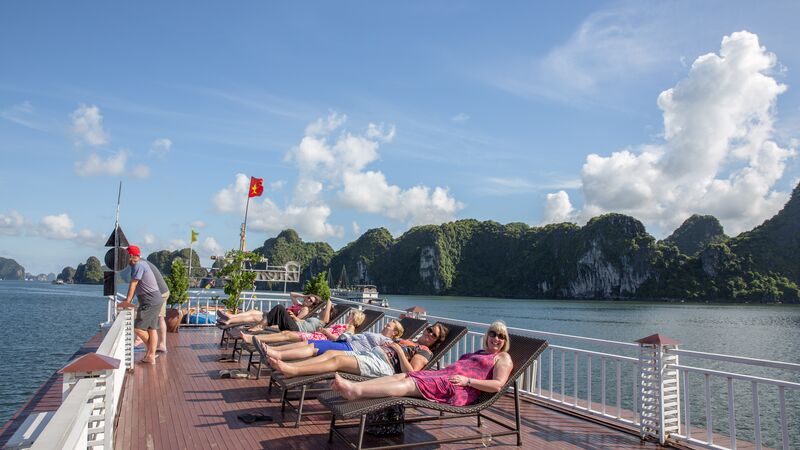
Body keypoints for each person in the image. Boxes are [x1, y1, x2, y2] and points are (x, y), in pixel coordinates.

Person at [331, 320, 513, 407]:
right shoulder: (480, 352)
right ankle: (355, 386)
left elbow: (497, 385)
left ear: (505, 341)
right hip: (443, 377)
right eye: (492, 334)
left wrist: (468, 381)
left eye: (500, 336)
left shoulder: (503, 358)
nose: (495, 338)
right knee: (403, 375)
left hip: (457, 387)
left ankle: (356, 391)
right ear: (487, 336)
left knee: (410, 383)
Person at [269, 323, 449, 379]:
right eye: (429, 329)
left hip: (383, 364)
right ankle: (293, 365)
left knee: (337, 362)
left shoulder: (424, 350)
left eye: (433, 334)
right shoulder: (409, 340)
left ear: (435, 341)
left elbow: (412, 373)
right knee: (331, 354)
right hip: (372, 354)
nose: (428, 333)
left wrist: (399, 351)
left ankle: (293, 371)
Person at [263, 319, 404, 361]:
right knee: (308, 343)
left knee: (313, 349)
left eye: (388, 325)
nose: (385, 325)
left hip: (351, 349)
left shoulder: (387, 341)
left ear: (395, 332)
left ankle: (278, 355)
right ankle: (273, 349)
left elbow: (393, 348)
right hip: (344, 342)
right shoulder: (379, 336)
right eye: (387, 323)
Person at [120, 245, 164, 365]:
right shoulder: (144, 264)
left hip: (149, 300)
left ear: (130, 256)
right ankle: (151, 355)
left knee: (137, 328)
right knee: (151, 328)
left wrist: (127, 301)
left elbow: (133, 284)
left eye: (126, 256)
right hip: (155, 299)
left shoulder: (138, 265)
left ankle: (151, 352)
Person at [240, 308, 365, 347]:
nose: (348, 315)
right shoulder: (344, 325)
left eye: (350, 314)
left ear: (354, 318)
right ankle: (254, 338)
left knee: (286, 335)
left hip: (319, 339)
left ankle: (254, 339)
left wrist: (326, 331)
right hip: (317, 335)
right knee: (286, 334)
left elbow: (339, 340)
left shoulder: (350, 328)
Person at [217, 292, 322, 331]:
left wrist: (293, 316)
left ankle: (230, 320)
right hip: (275, 315)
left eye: (310, 300)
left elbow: (299, 320)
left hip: (278, 319)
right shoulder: (299, 304)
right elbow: (291, 294)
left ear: (312, 305)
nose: (308, 299)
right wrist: (304, 295)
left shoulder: (305, 309)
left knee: (253, 317)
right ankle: (231, 316)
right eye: (308, 297)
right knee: (252, 311)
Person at [145, 260, 170, 353]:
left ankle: (149, 345)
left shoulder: (139, 265)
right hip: (163, 291)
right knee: (160, 318)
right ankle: (162, 344)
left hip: (158, 293)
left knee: (147, 317)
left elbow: (136, 284)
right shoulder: (146, 263)